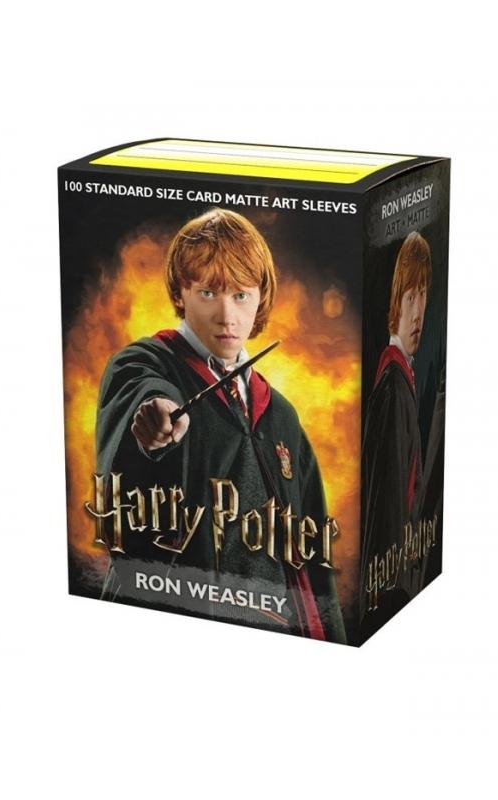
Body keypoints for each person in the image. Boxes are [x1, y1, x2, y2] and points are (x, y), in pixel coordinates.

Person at [94, 208, 347, 644]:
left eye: (241, 295)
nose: (227, 315)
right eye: (208, 293)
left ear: (261, 298)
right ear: (181, 292)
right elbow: (143, 392)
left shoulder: (281, 415)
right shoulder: (144, 364)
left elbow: (313, 563)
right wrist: (156, 415)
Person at [360, 231, 432, 627]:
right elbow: (386, 505)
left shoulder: (402, 379)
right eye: (409, 297)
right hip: (389, 588)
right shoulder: (392, 387)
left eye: (423, 295)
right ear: (395, 305)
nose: (418, 312)